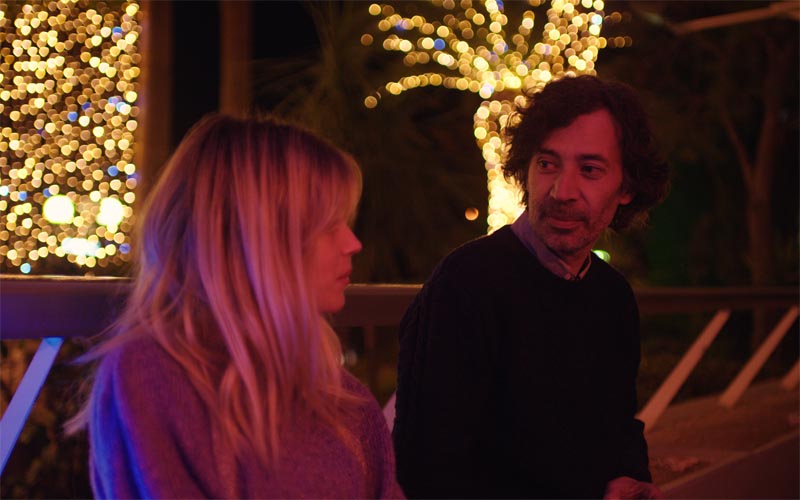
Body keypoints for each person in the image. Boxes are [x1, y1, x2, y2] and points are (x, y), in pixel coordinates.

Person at [66, 114, 404, 499]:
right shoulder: (155, 374)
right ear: (256, 239)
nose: (352, 244)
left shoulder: (343, 400)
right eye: (328, 226)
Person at [392, 75, 671, 499]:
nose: (561, 191)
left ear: (627, 188)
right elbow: (427, 469)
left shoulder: (613, 297)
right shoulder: (465, 285)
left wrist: (628, 476)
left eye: (590, 170)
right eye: (547, 164)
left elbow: (619, 426)